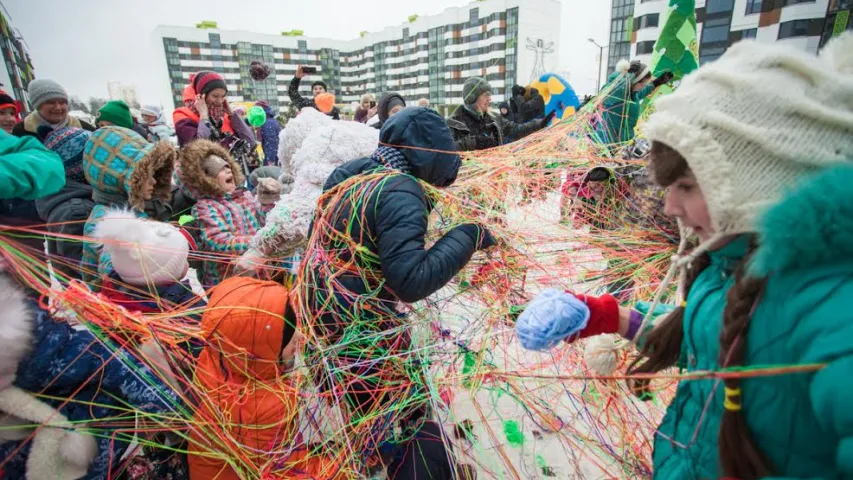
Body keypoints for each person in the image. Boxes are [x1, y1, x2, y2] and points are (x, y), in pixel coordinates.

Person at [520, 35, 853, 479]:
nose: (669, 208)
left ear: (755, 183)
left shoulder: (830, 306)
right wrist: (604, 315)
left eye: (687, 187)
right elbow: (709, 340)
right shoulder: (731, 264)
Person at [300, 107, 489, 479]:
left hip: (325, 320)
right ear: (432, 155)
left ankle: (388, 457)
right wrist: (469, 236)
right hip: (361, 328)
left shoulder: (353, 173)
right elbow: (411, 280)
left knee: (378, 410)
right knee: (410, 415)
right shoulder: (399, 189)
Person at [0, 272, 180, 479]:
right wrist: (179, 423)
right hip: (92, 449)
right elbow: (139, 383)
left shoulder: (72, 346)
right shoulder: (82, 347)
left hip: (48, 458)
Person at [188, 277, 345, 480]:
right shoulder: (266, 406)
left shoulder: (218, 357)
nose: (301, 337)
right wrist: (347, 465)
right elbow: (288, 472)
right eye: (289, 339)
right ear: (259, 352)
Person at [80, 127, 177, 286]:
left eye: (155, 174)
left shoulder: (135, 208)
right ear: (120, 178)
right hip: (132, 306)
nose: (154, 181)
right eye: (146, 176)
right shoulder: (107, 221)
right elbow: (118, 274)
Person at [177, 139, 263, 287]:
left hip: (256, 272)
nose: (228, 170)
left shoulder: (245, 196)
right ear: (206, 180)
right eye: (221, 170)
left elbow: (263, 221)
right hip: (225, 281)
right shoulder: (204, 207)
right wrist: (261, 241)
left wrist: (268, 202)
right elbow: (219, 241)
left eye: (228, 166)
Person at [36, 127, 96, 280]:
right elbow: (87, 272)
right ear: (79, 166)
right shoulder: (77, 211)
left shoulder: (70, 197)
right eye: (96, 158)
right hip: (93, 298)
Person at [447, 77, 553, 151]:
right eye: (485, 95)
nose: (489, 99)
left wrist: (539, 124)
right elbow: (445, 150)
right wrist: (473, 143)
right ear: (471, 98)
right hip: (469, 179)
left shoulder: (495, 118)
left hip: (494, 178)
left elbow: (516, 130)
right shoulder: (453, 123)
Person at [596, 60, 673, 145]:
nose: (642, 87)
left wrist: (656, 83)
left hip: (623, 142)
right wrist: (629, 76)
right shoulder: (617, 91)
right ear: (634, 81)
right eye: (642, 84)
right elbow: (606, 95)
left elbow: (642, 92)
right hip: (607, 144)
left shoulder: (632, 93)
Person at [173, 71, 257, 149]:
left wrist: (232, 115)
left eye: (223, 96)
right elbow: (198, 149)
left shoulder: (225, 116)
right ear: (202, 95)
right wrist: (204, 116)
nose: (220, 101)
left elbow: (250, 143)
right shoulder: (182, 114)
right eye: (215, 96)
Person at [12, 79, 95, 141]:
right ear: (37, 106)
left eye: (62, 102)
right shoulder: (22, 131)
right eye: (51, 102)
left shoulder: (84, 128)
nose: (58, 107)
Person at [255, 101, 281, 166]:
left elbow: (271, 143)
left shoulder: (267, 123)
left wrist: (270, 161)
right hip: (273, 156)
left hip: (272, 159)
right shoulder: (268, 120)